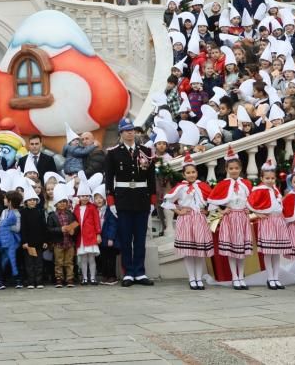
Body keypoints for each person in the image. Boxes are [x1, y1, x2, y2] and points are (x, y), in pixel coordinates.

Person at [104, 117, 155, 287]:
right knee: (125, 238)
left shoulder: (146, 151)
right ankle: (128, 272)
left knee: (140, 238)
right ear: (121, 133)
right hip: (123, 199)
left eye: (131, 130)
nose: (130, 133)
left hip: (141, 198)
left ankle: (140, 272)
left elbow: (151, 178)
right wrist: (111, 201)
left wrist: (152, 199)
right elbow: (109, 179)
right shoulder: (113, 153)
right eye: (126, 130)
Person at [161, 153, 213, 290]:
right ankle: (192, 278)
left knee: (199, 251)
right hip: (186, 220)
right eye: (188, 173)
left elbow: (213, 200)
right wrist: (179, 211)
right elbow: (167, 201)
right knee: (189, 251)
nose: (191, 175)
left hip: (199, 220)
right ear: (183, 174)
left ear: (197, 172)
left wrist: (207, 211)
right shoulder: (180, 188)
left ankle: (199, 278)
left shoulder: (202, 186)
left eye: (193, 172)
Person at [207, 147, 252, 290]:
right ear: (227, 169)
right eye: (231, 168)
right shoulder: (223, 184)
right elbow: (212, 202)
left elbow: (253, 200)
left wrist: (249, 209)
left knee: (241, 250)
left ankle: (241, 276)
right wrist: (222, 211)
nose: (234, 171)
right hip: (230, 219)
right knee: (232, 250)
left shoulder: (246, 184)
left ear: (241, 169)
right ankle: (234, 277)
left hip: (242, 219)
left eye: (236, 168)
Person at [248, 159, 291, 289]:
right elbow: (250, 202)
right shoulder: (260, 190)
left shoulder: (275, 190)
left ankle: (276, 277)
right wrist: (257, 213)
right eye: (267, 178)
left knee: (276, 251)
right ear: (262, 178)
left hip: (278, 221)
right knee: (268, 251)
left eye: (272, 178)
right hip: (267, 222)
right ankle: (270, 277)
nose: (270, 180)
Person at [47, 183, 78, 288]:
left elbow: (76, 224)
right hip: (58, 243)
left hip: (69, 243)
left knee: (69, 262)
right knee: (58, 262)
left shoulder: (70, 214)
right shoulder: (52, 216)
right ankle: (59, 279)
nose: (62, 204)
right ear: (56, 204)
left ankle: (69, 279)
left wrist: (73, 230)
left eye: (64, 201)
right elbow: (49, 229)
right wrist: (60, 229)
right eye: (60, 202)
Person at [19, 184, 47, 289]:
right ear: (26, 202)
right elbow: (23, 228)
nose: (32, 202)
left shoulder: (40, 212)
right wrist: (24, 242)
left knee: (39, 262)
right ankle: (31, 281)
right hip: (29, 244)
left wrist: (45, 241)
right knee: (29, 263)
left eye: (34, 200)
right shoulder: (23, 213)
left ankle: (39, 281)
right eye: (30, 200)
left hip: (39, 242)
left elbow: (44, 227)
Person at [74, 179, 101, 285]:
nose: (84, 198)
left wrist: (98, 234)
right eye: (82, 196)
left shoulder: (92, 207)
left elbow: (97, 221)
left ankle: (93, 277)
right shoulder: (76, 208)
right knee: (83, 259)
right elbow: (74, 221)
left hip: (90, 236)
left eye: (86, 196)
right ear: (79, 197)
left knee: (91, 258)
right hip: (81, 237)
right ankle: (84, 278)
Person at [0, 189, 22, 290]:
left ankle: (17, 280)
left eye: (5, 198)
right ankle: (0, 280)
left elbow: (17, 228)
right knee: (1, 260)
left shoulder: (17, 213)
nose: (4, 200)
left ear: (10, 201)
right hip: (2, 240)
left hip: (12, 241)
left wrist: (6, 226)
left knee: (13, 260)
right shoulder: (4, 212)